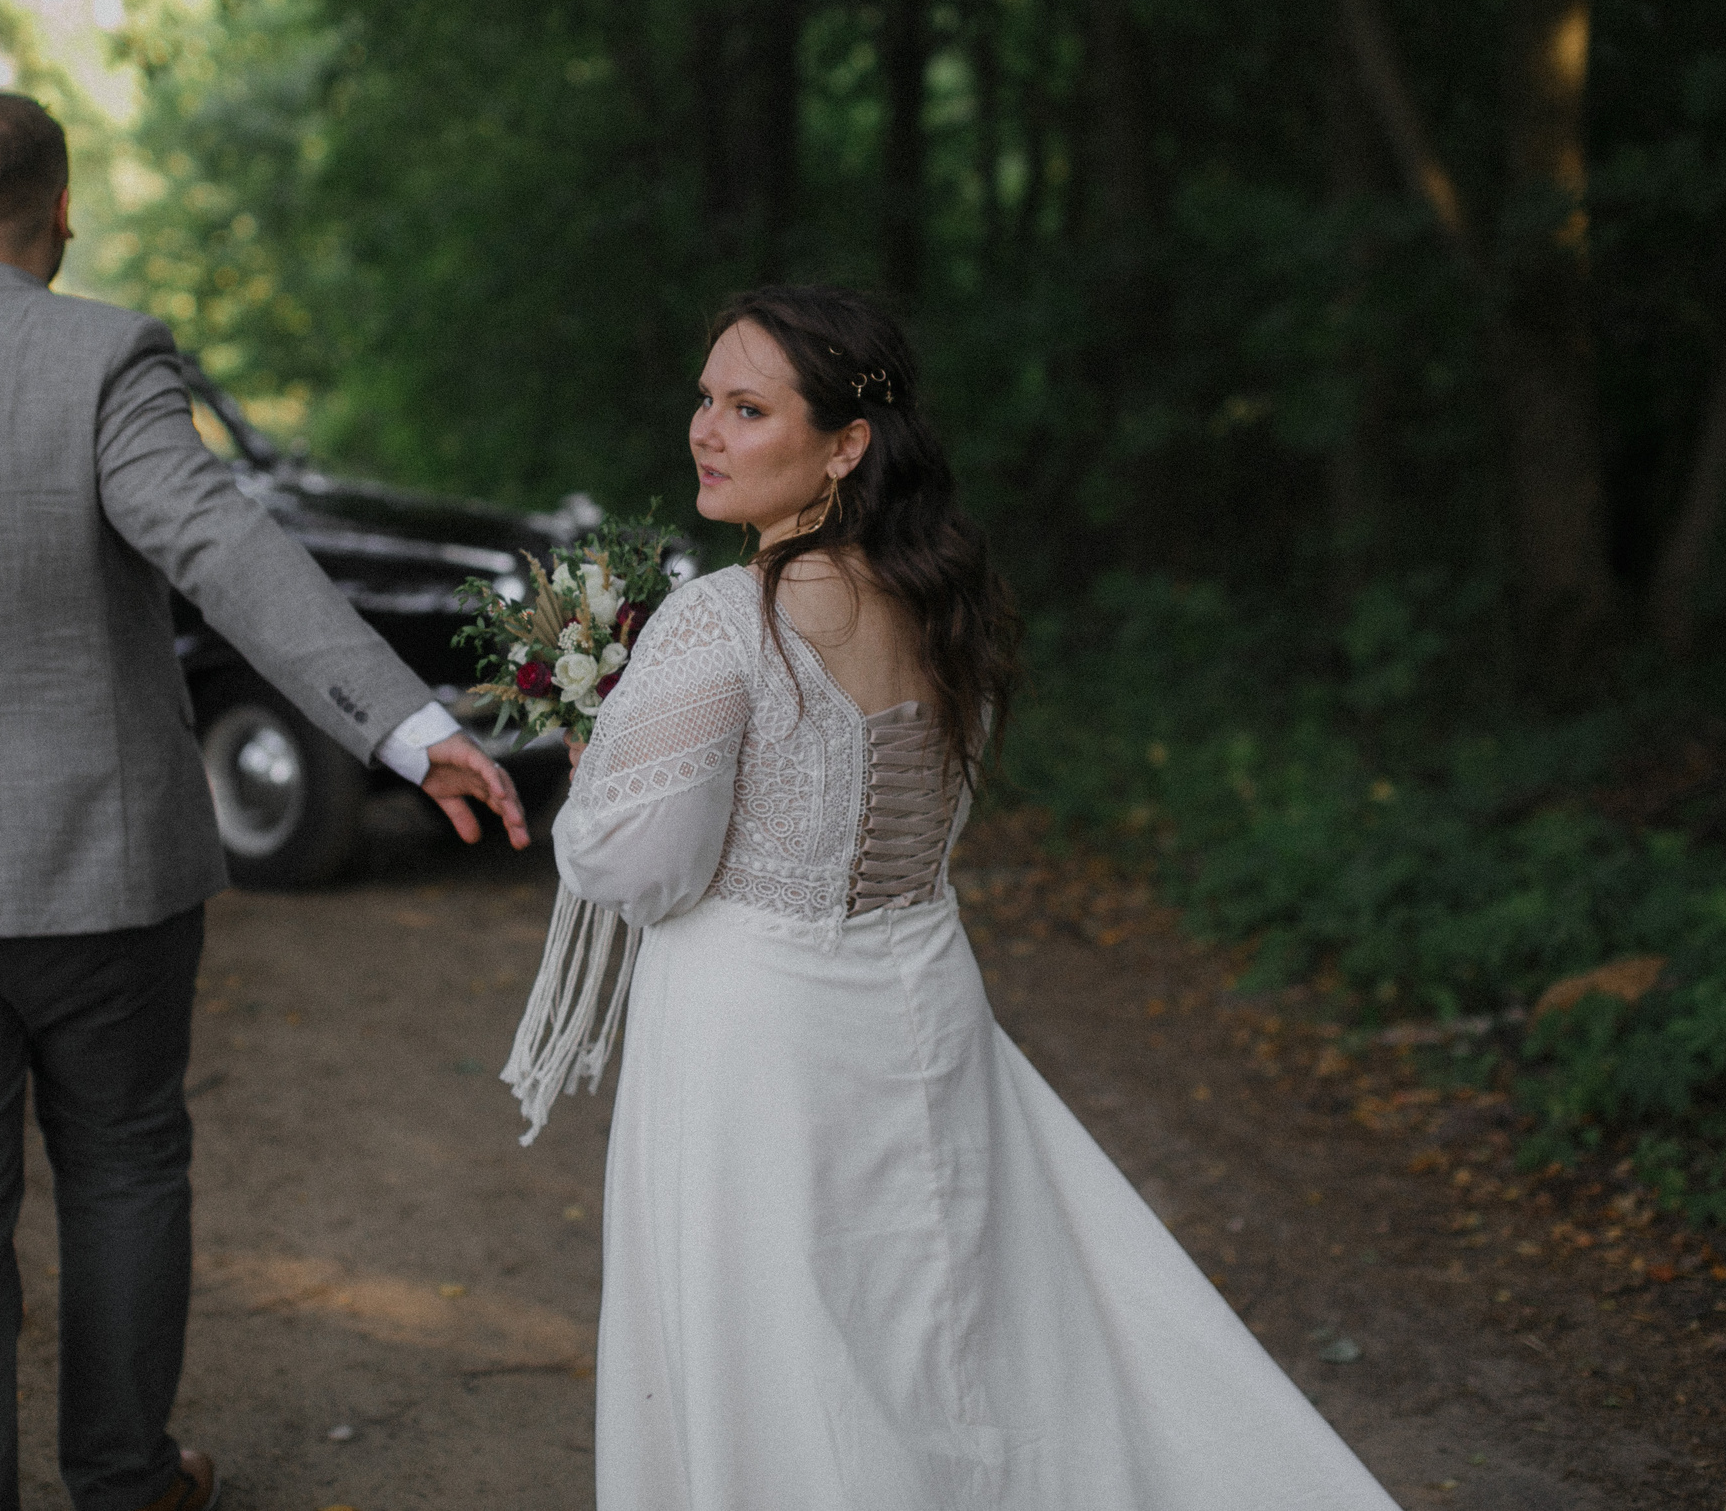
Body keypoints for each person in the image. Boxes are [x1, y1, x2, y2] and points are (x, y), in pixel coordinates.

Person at [0, 89, 529, 1511]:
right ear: (62, 211)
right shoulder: (103, 357)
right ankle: (123, 1475)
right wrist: (406, 724)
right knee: (124, 1162)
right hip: (99, 868)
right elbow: (226, 546)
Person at [544, 285, 1403, 1508]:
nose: (706, 430)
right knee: (947, 1340)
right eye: (704, 400)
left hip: (759, 1046)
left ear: (845, 446)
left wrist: (600, 774)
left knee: (789, 1357)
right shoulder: (940, 609)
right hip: (920, 1007)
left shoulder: (724, 622)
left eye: (746, 407)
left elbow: (637, 866)